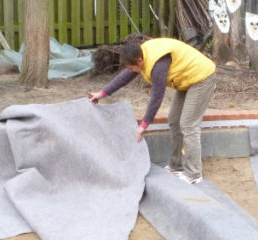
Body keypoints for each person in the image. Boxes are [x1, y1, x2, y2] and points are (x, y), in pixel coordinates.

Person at [88, 36, 216, 184]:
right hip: (187, 79)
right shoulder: (141, 55)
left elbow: (156, 97)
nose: (130, 71)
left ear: (139, 61)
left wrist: (143, 126)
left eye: (131, 68)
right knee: (174, 121)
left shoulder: (158, 65)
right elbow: (123, 78)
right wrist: (102, 93)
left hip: (202, 78)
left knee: (188, 124)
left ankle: (193, 173)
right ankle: (177, 165)